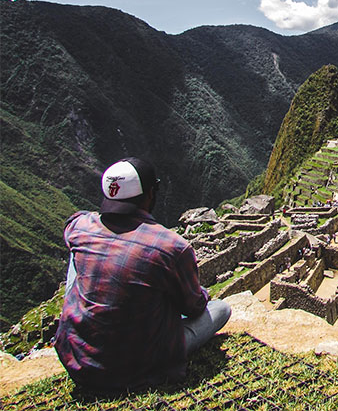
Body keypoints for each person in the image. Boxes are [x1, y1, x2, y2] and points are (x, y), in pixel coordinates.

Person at [54, 157, 231, 392]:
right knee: (221, 309)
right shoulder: (172, 247)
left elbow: (72, 225)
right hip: (142, 364)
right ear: (150, 194)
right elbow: (194, 307)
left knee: (76, 254)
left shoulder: (79, 226)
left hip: (78, 360)